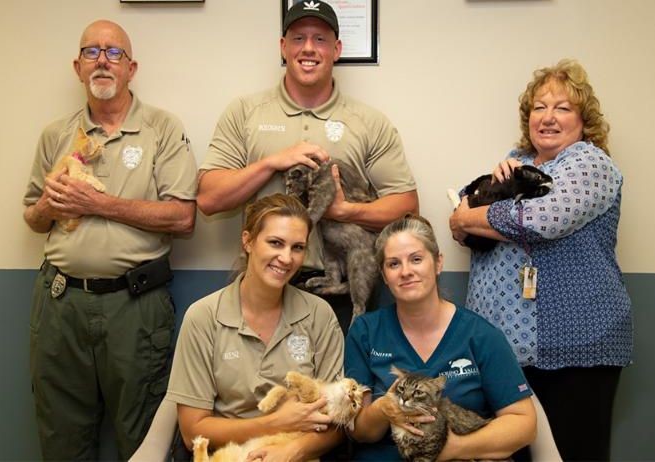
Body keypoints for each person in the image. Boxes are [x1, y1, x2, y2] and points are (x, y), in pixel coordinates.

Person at [22, 20, 197, 460]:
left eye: (114, 53)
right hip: (60, 304)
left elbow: (183, 216)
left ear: (131, 68)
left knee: (144, 441)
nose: (102, 60)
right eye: (92, 52)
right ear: (77, 66)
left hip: (134, 307)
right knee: (61, 439)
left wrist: (98, 203)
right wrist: (50, 206)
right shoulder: (55, 135)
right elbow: (32, 216)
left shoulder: (162, 128)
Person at [197, 1, 418, 334]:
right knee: (264, 387)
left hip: (341, 289)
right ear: (283, 47)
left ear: (337, 49)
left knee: (343, 386)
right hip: (264, 282)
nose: (309, 49)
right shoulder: (245, 113)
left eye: (320, 39)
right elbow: (209, 199)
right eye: (298, 38)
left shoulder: (369, 122)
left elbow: (407, 209)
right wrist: (272, 162)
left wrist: (344, 211)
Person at [449, 59, 632, 461]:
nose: (548, 117)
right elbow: (464, 219)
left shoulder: (592, 164)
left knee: (572, 453)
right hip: (507, 349)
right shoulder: (517, 164)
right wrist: (468, 217)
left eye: (562, 108)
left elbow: (540, 220)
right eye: (539, 107)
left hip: (577, 344)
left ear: (584, 119)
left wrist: (468, 218)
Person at [165, 193, 345, 461]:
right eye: (275, 243)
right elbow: (193, 432)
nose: (286, 258)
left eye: (297, 247)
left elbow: (337, 422)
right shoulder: (204, 317)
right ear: (247, 241)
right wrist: (276, 422)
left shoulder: (319, 314)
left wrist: (289, 452)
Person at [345, 215, 536, 461]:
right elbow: (358, 432)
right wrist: (383, 410)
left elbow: (524, 424)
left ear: (437, 263)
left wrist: (453, 448)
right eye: (393, 264)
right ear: (383, 275)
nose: (406, 272)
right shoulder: (365, 331)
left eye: (416, 259)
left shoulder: (480, 335)